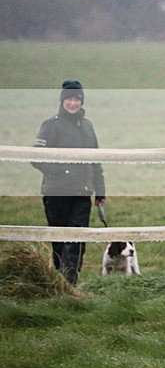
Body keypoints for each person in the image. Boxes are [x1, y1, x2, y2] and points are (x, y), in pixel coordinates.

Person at [32, 80, 106, 284]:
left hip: (82, 192)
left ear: (81, 101)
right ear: (62, 101)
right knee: (59, 239)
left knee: (77, 239)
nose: (73, 103)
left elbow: (96, 160)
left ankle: (70, 282)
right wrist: (61, 171)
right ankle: (60, 281)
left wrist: (100, 191)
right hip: (56, 192)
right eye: (69, 99)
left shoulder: (88, 126)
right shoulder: (51, 125)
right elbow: (35, 157)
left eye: (77, 99)